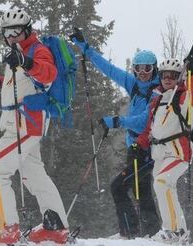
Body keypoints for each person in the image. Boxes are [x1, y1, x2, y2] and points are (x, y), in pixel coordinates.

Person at [0, 8, 69, 244]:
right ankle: (55, 227)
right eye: (7, 32)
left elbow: (47, 74)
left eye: (16, 31)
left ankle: (5, 229)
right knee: (33, 175)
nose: (11, 37)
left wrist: (26, 61)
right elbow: (23, 83)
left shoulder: (36, 50)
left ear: (27, 30)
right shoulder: (20, 53)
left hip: (26, 124)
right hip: (21, 124)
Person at [69, 27, 161, 238]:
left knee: (118, 187)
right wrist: (85, 48)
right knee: (141, 191)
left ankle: (131, 232)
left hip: (148, 149)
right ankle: (150, 234)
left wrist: (118, 121)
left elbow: (145, 121)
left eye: (147, 68)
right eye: (138, 68)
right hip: (134, 148)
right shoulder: (134, 85)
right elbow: (109, 69)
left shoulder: (158, 91)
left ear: (154, 69)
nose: (143, 73)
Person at [136, 56, 193, 244]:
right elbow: (150, 126)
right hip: (159, 153)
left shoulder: (182, 97)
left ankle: (173, 231)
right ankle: (180, 230)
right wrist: (140, 144)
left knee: (161, 183)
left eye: (173, 76)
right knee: (165, 188)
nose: (168, 79)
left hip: (178, 152)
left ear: (178, 78)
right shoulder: (157, 99)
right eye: (165, 75)